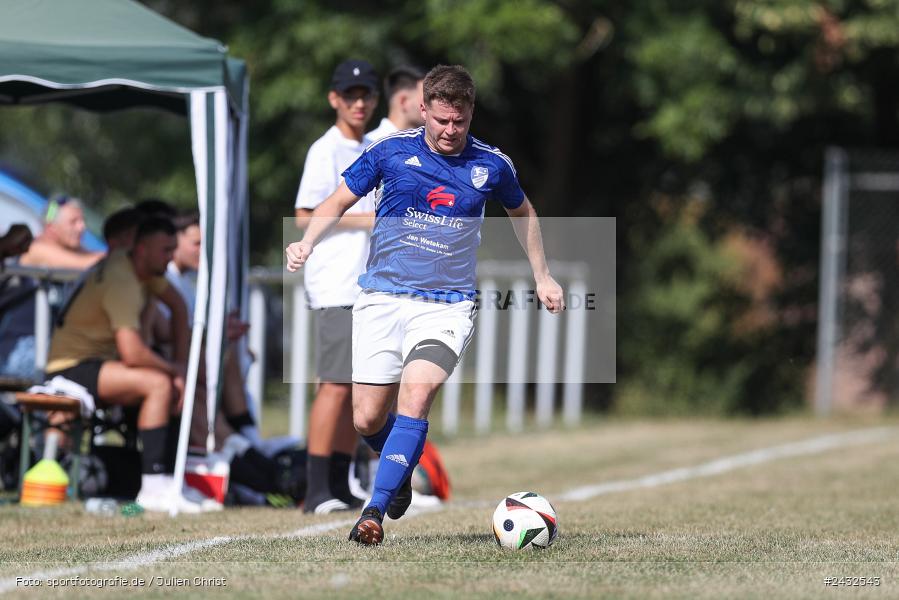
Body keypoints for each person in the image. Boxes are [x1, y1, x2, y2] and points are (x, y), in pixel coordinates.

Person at [285, 65, 565, 544]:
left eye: (459, 121)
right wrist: (308, 242)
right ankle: (400, 463)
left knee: (415, 399)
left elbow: (523, 212)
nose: (450, 131)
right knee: (367, 418)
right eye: (441, 121)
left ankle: (373, 512)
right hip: (381, 298)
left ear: (471, 112)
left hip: (446, 306)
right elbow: (335, 200)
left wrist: (543, 274)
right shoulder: (390, 153)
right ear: (423, 110)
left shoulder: (491, 164)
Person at [45, 216, 213, 513]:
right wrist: (175, 371)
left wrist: (181, 366)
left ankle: (171, 481)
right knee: (158, 384)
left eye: (173, 249)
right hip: (72, 366)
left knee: (172, 384)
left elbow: (178, 307)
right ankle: (153, 487)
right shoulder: (122, 279)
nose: (170, 257)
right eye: (165, 250)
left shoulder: (144, 267)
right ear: (143, 248)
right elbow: (133, 353)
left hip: (99, 362)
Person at [293, 59, 380, 514]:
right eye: (351, 95)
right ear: (334, 99)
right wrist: (369, 219)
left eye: (366, 94)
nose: (360, 102)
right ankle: (315, 490)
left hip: (365, 285)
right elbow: (306, 215)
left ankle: (340, 482)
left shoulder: (371, 146)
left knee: (356, 386)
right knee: (334, 385)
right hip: (335, 284)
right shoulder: (324, 150)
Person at [18, 195, 104, 270]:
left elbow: (94, 257)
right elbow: (84, 265)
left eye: (82, 221)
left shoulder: (68, 246)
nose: (82, 227)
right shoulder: (37, 249)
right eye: (73, 222)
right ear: (51, 227)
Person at [367, 65, 425, 140]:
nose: (433, 105)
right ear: (403, 101)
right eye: (427, 98)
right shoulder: (371, 146)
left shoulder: (426, 147)